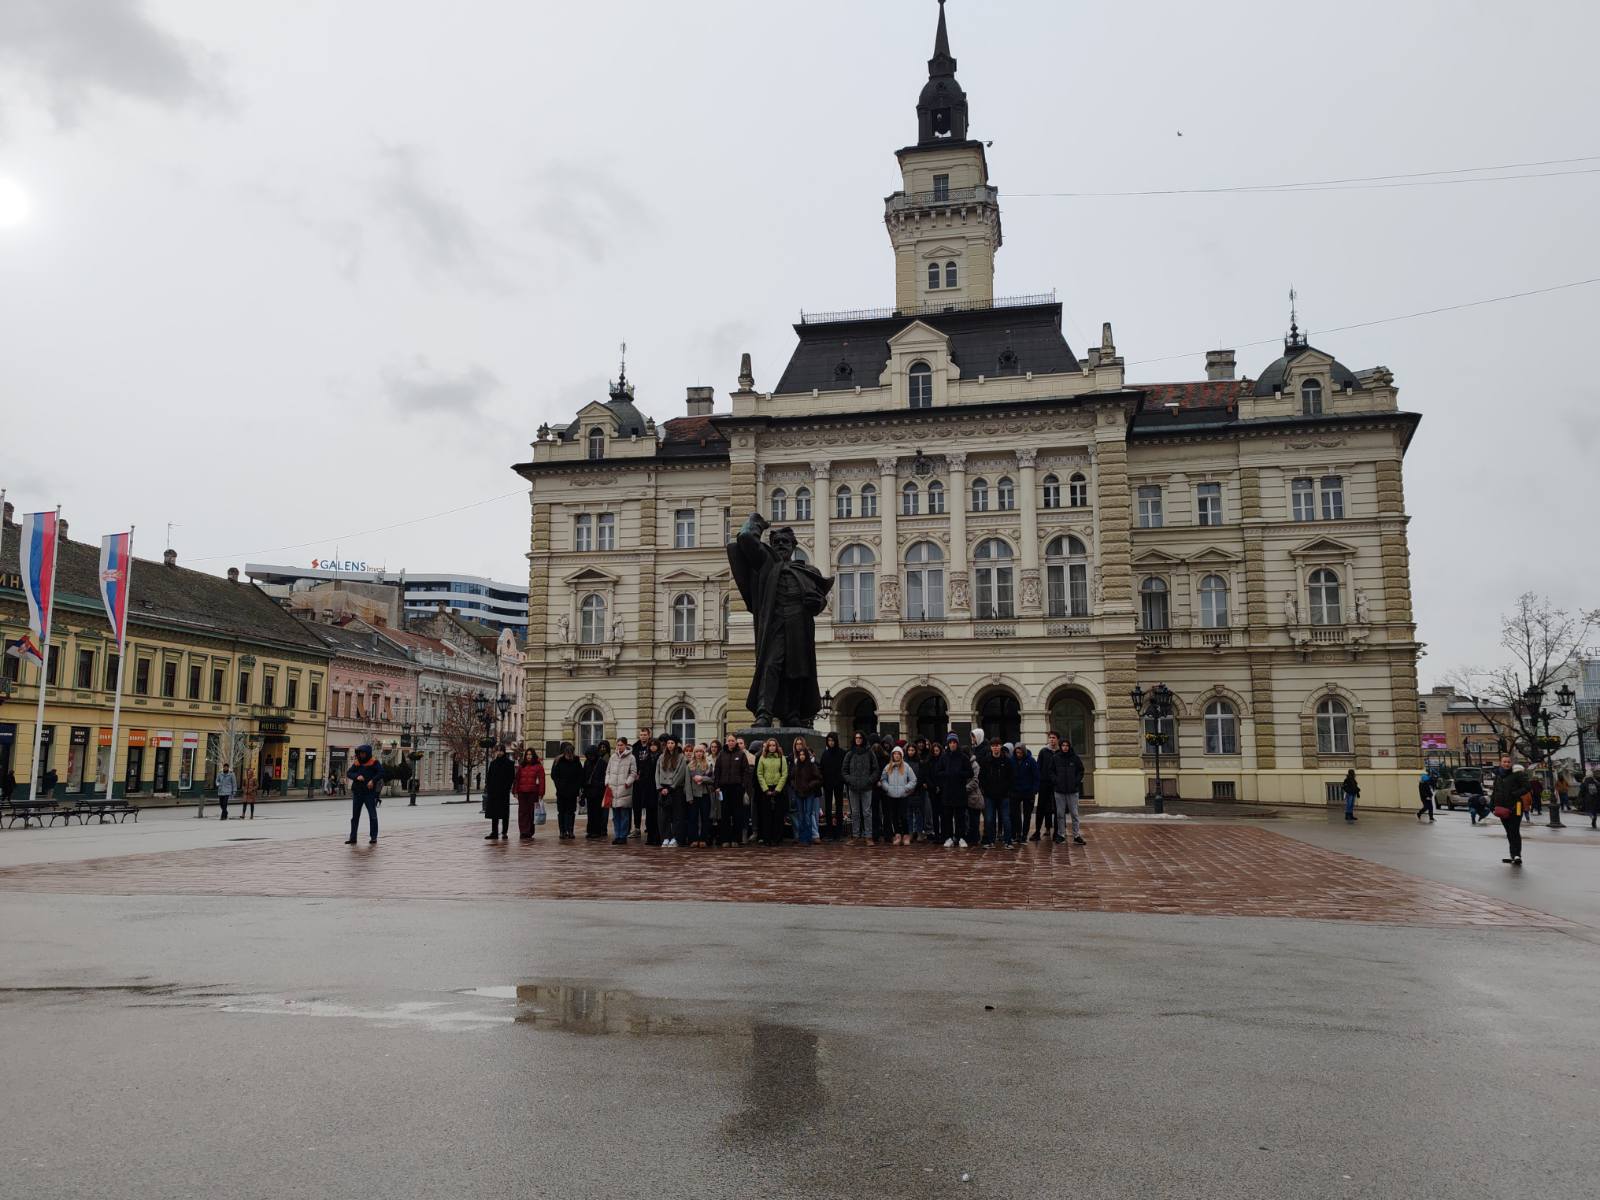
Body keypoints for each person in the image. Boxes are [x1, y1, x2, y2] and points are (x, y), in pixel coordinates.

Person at [1039, 732, 1086, 845]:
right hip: (1059, 791)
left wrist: (1076, 782)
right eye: (1063, 745)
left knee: (1074, 814)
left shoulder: (1075, 758)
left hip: (1072, 791)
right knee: (1060, 814)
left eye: (1067, 745)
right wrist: (1056, 781)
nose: (1065, 747)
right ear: (1060, 746)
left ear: (1069, 747)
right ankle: (1061, 834)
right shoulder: (1055, 758)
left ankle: (1076, 835)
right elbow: (1051, 771)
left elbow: (1081, 771)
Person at [1489, 754, 1531, 866]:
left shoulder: (1517, 774)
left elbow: (1527, 786)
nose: (1506, 764)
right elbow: (1495, 792)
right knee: (1509, 832)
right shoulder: (1498, 776)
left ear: (1511, 763)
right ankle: (1513, 854)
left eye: (1508, 762)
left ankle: (1517, 855)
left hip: (1515, 807)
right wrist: (1491, 806)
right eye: (1504, 762)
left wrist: (1515, 794)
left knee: (1514, 831)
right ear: (1500, 763)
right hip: (1502, 808)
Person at [978, 735, 1015, 847]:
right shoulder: (986, 761)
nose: (995, 748)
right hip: (989, 795)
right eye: (993, 746)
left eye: (997, 746)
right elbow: (981, 777)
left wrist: (1007, 790)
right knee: (989, 820)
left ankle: (1007, 841)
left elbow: (1011, 777)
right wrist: (985, 789)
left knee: (1006, 819)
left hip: (1004, 796)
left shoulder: (1007, 761)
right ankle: (990, 841)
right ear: (990, 747)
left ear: (1000, 747)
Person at [934, 733, 970, 847]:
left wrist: (959, 774)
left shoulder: (963, 757)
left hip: (960, 791)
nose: (952, 744)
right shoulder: (944, 757)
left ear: (957, 743)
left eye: (954, 742)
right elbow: (938, 772)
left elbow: (970, 772)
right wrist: (946, 774)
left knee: (960, 817)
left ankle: (961, 837)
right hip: (947, 791)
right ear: (948, 744)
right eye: (950, 742)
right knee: (947, 817)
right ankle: (948, 837)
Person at [842, 731, 878, 843]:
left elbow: (876, 769)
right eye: (856, 738)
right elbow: (844, 770)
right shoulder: (850, 753)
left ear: (863, 739)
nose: (858, 739)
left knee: (867, 812)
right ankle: (856, 835)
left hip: (866, 788)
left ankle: (868, 836)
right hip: (853, 788)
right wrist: (850, 780)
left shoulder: (869, 753)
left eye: (860, 738)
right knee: (855, 813)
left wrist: (869, 780)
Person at [344, 744, 384, 845]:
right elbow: (349, 773)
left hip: (369, 793)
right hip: (357, 793)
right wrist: (357, 776)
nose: (361, 755)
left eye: (363, 753)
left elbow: (381, 772)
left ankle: (373, 837)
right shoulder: (357, 763)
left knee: (372, 816)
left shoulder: (374, 762)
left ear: (367, 753)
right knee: (355, 817)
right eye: (360, 753)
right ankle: (353, 838)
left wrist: (373, 781)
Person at [714, 733, 748, 846]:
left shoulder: (741, 754)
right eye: (729, 740)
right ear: (726, 742)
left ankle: (736, 839)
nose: (731, 742)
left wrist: (743, 786)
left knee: (737, 814)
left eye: (733, 740)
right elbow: (717, 771)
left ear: (735, 742)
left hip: (737, 788)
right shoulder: (721, 754)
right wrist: (717, 786)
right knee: (725, 814)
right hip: (724, 788)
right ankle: (725, 839)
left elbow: (745, 772)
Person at [879, 746, 917, 846]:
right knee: (894, 816)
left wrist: (906, 788)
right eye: (895, 754)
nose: (896, 756)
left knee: (904, 816)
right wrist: (887, 788)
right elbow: (883, 779)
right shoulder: (888, 767)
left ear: (901, 755)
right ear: (892, 755)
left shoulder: (906, 767)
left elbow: (914, 780)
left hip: (903, 796)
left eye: (898, 754)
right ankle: (897, 834)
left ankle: (906, 835)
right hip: (891, 796)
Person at [655, 736, 688, 849]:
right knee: (664, 816)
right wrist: (660, 788)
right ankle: (666, 837)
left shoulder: (681, 757)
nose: (670, 745)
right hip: (663, 790)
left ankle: (675, 837)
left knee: (676, 816)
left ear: (676, 744)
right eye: (668, 743)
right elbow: (657, 773)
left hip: (675, 789)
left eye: (672, 743)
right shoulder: (661, 757)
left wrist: (670, 788)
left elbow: (680, 774)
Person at [755, 738, 789, 846]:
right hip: (766, 788)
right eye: (770, 745)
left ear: (777, 746)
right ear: (767, 747)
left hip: (778, 789)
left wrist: (778, 789)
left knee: (778, 815)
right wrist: (765, 789)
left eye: (774, 745)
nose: (772, 747)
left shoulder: (781, 758)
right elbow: (759, 774)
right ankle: (767, 838)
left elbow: (784, 774)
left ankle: (777, 838)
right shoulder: (762, 758)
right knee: (766, 815)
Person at [605, 740, 638, 844]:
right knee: (615, 816)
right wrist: (607, 782)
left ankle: (623, 836)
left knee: (624, 815)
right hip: (613, 789)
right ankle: (617, 835)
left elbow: (633, 773)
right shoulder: (613, 757)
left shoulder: (631, 757)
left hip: (625, 789)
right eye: (618, 745)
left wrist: (627, 783)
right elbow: (608, 771)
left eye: (621, 745)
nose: (619, 747)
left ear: (625, 745)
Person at [790, 744, 823, 846]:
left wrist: (810, 785)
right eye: (800, 755)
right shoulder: (796, 767)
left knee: (808, 815)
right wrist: (795, 786)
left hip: (809, 793)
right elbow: (791, 778)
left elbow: (818, 779)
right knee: (800, 816)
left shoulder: (812, 766)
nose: (802, 756)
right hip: (799, 793)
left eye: (804, 754)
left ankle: (808, 838)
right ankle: (801, 838)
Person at [551, 742, 583, 840]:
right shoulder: (558, 761)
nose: (569, 756)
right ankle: (562, 831)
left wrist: (577, 787)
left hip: (572, 792)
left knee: (571, 812)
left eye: (571, 753)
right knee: (561, 812)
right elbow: (554, 775)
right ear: (564, 753)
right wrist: (559, 786)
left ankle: (570, 830)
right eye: (567, 753)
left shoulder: (577, 761)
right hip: (561, 791)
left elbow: (580, 775)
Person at [514, 748, 545, 841]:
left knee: (532, 813)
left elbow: (542, 780)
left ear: (533, 755)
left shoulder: (538, 766)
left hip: (533, 792)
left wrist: (541, 793)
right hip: (522, 792)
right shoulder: (521, 766)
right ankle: (523, 831)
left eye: (530, 754)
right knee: (523, 813)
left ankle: (530, 831)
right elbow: (517, 779)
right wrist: (515, 791)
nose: (528, 756)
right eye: (527, 754)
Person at [819, 732, 845, 842]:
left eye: (832, 740)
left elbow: (844, 768)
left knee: (839, 807)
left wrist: (841, 779)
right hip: (828, 783)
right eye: (829, 741)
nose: (831, 743)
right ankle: (829, 832)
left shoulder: (841, 753)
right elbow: (822, 768)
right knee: (828, 808)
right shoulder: (825, 754)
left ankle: (839, 832)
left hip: (838, 783)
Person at [1010, 742, 1038, 843]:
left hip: (1028, 792)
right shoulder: (1011, 760)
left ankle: (1024, 835)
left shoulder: (1031, 761)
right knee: (1015, 814)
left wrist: (1034, 790)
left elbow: (1036, 776)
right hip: (1015, 792)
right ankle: (1018, 833)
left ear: (1024, 752)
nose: (1018, 755)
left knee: (1027, 815)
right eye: (1017, 752)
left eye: (1020, 752)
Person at [583, 741, 611, 839]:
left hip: (598, 792)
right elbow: (584, 776)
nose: (590, 757)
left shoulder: (602, 763)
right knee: (590, 813)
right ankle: (590, 830)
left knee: (598, 813)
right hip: (589, 791)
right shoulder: (587, 763)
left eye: (592, 755)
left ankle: (597, 830)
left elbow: (605, 778)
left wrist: (597, 784)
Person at [688, 744, 714, 848]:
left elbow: (712, 779)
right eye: (697, 751)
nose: (699, 753)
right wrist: (689, 797)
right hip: (694, 795)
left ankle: (703, 839)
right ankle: (693, 839)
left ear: (703, 753)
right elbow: (687, 783)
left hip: (705, 794)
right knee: (693, 818)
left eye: (701, 751)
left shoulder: (708, 765)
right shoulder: (690, 765)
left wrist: (702, 778)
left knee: (705, 818)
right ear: (694, 753)